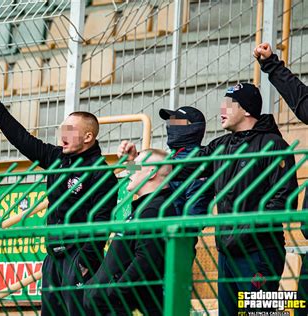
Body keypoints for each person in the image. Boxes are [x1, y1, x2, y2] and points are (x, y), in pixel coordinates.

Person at [119, 83, 299, 316]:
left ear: (246, 110)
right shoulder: (222, 145)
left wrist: (245, 231)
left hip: (259, 253)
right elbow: (173, 170)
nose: (221, 109)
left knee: (260, 313)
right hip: (227, 252)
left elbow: (285, 199)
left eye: (228, 104)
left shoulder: (273, 145)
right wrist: (134, 162)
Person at [0, 87, 118, 315]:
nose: (62, 134)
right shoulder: (56, 157)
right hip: (53, 256)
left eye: (70, 130)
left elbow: (102, 222)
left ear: (88, 137)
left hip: (79, 257)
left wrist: (85, 262)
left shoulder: (100, 173)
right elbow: (22, 139)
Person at [83, 149, 177, 315]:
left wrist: (113, 293)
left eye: (136, 167)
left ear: (152, 172)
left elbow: (146, 261)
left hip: (115, 306)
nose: (129, 172)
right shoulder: (146, 207)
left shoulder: (154, 210)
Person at [255, 42, 308, 316]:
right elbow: (302, 101)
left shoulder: (273, 146)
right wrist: (271, 64)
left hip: (259, 246)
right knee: (296, 308)